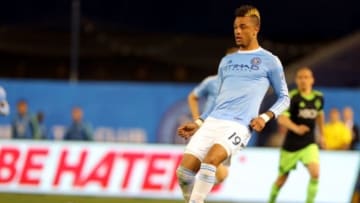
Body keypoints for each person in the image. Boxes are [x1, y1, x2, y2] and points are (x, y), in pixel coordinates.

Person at [176, 5, 290, 203]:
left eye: (243, 27)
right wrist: (199, 122)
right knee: (184, 173)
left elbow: (284, 97)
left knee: (210, 162)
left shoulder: (270, 61)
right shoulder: (226, 61)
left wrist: (265, 116)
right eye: (236, 27)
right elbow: (219, 98)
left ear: (256, 29)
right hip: (213, 121)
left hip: (239, 124)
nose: (238, 31)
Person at [268, 67, 325, 203]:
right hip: (291, 145)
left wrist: (322, 135)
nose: (303, 80)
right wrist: (296, 128)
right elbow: (282, 119)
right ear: (296, 80)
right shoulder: (292, 97)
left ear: (312, 80)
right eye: (300, 77)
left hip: (309, 143)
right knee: (281, 180)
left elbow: (320, 116)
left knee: (315, 174)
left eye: (306, 77)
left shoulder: (319, 97)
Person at [187, 47, 238, 184]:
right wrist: (197, 119)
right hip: (209, 126)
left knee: (221, 176)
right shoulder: (211, 81)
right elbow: (192, 97)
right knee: (210, 164)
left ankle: (195, 188)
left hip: (228, 129)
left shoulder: (243, 86)